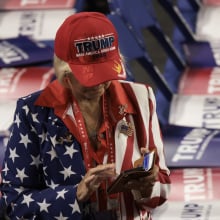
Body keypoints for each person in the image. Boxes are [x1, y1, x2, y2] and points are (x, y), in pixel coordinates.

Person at [0, 12, 171, 220]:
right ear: (64, 70)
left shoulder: (142, 97)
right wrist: (75, 194)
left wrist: (148, 186)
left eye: (106, 73)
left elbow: (163, 189)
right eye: (90, 76)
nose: (100, 84)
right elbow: (14, 203)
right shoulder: (33, 112)